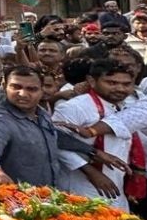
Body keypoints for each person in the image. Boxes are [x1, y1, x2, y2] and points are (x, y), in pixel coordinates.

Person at [0, 66, 112, 187]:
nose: (22, 94)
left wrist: (92, 151)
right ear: (4, 87)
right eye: (16, 87)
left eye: (31, 89)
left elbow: (52, 135)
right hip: (17, 204)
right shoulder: (0, 121)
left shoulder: (40, 113)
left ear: (42, 91)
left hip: (46, 197)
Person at [53, 60, 137, 210]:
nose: (120, 88)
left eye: (126, 84)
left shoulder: (129, 109)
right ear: (92, 81)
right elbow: (55, 142)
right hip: (80, 187)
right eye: (111, 83)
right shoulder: (74, 107)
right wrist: (91, 171)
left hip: (116, 187)